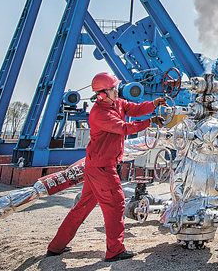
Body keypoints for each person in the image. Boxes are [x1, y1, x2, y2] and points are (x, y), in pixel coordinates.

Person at [47, 72, 165, 261]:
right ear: (102, 94)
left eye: (115, 87)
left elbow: (134, 109)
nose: (116, 90)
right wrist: (149, 122)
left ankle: (56, 246)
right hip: (102, 167)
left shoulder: (117, 103)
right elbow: (124, 128)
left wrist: (154, 104)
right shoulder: (100, 113)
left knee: (83, 206)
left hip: (99, 165)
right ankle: (115, 251)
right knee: (116, 204)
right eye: (112, 88)